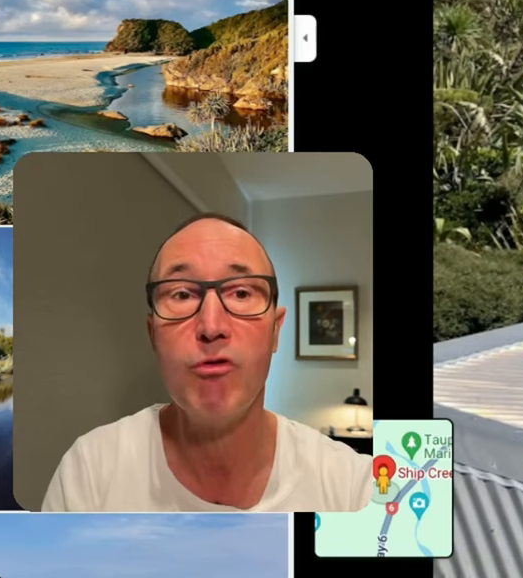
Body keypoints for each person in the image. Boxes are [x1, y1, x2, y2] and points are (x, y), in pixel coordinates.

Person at [39, 214, 371, 511]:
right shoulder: (89, 473)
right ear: (153, 334)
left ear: (275, 330)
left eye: (241, 293)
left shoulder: (354, 489)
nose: (211, 327)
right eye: (182, 294)